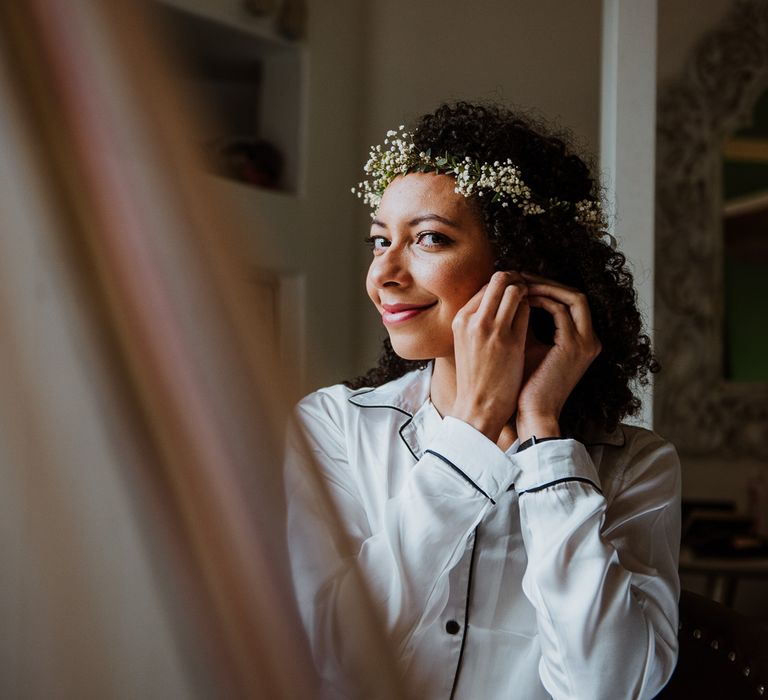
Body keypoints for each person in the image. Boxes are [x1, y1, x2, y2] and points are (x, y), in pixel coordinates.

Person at [285, 102, 681, 700]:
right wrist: (470, 428)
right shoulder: (334, 428)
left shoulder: (636, 466)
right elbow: (332, 658)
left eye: (428, 239)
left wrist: (543, 437)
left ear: (524, 267)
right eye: (378, 240)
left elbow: (612, 686)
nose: (384, 273)